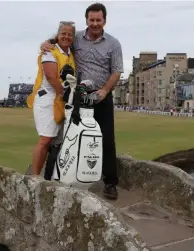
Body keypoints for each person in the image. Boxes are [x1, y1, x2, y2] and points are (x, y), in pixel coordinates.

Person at [41, 3, 123, 200]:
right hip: (78, 96)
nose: (95, 23)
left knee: (106, 139)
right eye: (91, 20)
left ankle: (110, 182)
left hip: (101, 96)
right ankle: (65, 175)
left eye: (98, 20)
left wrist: (104, 90)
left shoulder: (113, 44)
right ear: (86, 20)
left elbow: (117, 71)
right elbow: (60, 42)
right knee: (69, 135)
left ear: (105, 20)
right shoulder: (76, 38)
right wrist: (45, 43)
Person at [27, 21, 76, 176]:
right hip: (47, 99)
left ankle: (48, 174)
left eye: (70, 34)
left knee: (55, 141)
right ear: (58, 34)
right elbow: (50, 76)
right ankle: (35, 177)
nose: (66, 37)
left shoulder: (70, 54)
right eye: (63, 33)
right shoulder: (50, 51)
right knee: (45, 139)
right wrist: (64, 93)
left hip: (60, 101)